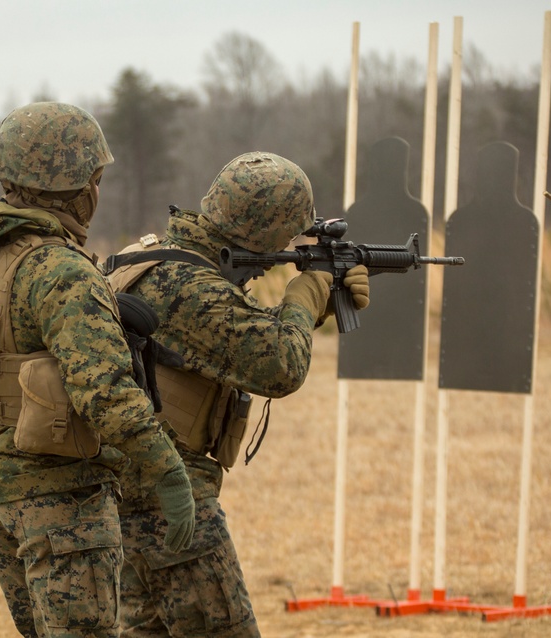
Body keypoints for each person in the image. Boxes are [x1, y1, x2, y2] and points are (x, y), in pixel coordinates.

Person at [0, 102, 196, 637]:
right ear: (75, 188)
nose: (98, 190)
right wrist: (169, 473)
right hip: (57, 495)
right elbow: (107, 394)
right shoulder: (60, 269)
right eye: (95, 178)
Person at [103, 151, 371, 637]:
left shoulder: (162, 261)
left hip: (133, 489)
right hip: (168, 499)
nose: (283, 255)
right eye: (283, 239)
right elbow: (277, 368)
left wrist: (316, 311)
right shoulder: (193, 286)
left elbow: (226, 344)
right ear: (262, 233)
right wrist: (302, 298)